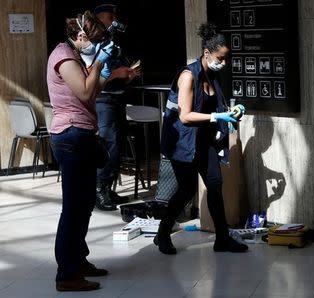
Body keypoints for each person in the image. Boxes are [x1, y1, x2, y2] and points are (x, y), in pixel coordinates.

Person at [155, 22, 248, 255]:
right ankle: (163, 233)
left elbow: (215, 108)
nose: (224, 63)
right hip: (182, 142)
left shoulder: (212, 75)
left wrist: (231, 114)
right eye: (220, 58)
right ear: (207, 53)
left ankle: (222, 239)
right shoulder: (188, 75)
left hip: (203, 141)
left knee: (215, 185)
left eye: (226, 58)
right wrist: (218, 116)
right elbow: (185, 116)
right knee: (186, 190)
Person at [47, 10, 114, 291]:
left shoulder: (75, 55)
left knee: (84, 204)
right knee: (73, 208)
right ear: (81, 36)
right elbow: (85, 93)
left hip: (82, 134)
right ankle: (66, 274)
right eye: (95, 39)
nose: (98, 44)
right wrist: (98, 61)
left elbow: (92, 89)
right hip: (70, 136)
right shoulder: (63, 55)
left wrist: (103, 73)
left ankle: (78, 260)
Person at [89, 1, 142, 211]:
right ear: (99, 19)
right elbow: (91, 73)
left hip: (118, 97)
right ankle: (99, 190)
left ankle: (108, 187)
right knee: (108, 144)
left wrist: (128, 75)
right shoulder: (94, 43)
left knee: (117, 145)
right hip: (104, 101)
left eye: (115, 18)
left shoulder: (114, 42)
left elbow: (118, 72)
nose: (115, 22)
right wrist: (116, 74)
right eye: (110, 18)